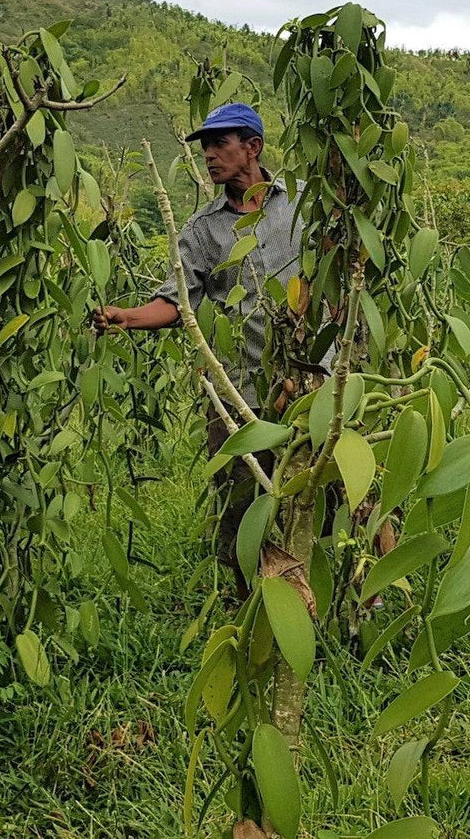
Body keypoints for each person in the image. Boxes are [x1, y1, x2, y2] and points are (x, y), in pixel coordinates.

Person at [93, 102, 306, 590]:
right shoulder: (202, 230)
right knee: (239, 502)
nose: (208, 156)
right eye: (204, 147)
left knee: (318, 494)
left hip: (308, 381)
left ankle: (333, 594)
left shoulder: (298, 203)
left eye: (219, 144)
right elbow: (176, 303)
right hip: (239, 391)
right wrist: (128, 317)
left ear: (253, 147)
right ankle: (248, 599)